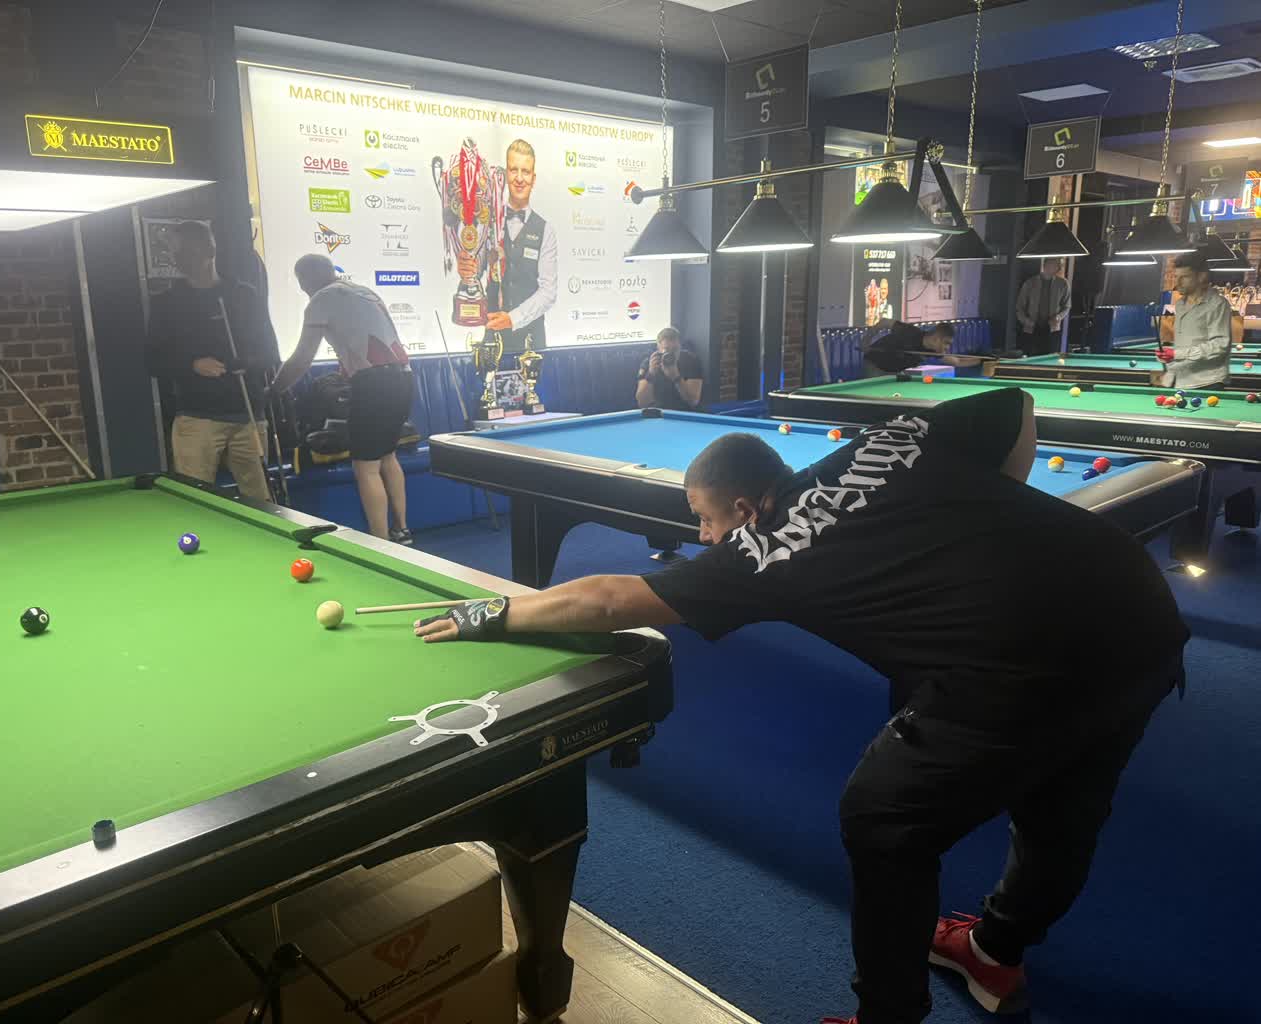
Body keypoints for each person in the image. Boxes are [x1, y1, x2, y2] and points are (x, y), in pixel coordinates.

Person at [412, 386, 1188, 1024]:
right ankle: (994, 951)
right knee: (1064, 802)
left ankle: (887, 1016)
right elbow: (1012, 407)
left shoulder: (759, 550)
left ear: (745, 506)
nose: (702, 536)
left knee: (881, 818)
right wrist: (990, 537)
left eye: (705, 518)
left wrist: (491, 613)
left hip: (1016, 671)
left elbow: (608, 599)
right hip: (1137, 615)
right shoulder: (880, 444)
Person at [270, 255, 414, 543]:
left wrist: (274, 390)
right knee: (388, 455)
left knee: (365, 466)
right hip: (405, 378)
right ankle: (402, 530)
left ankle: (381, 543)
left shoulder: (320, 300)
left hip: (374, 384)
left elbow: (302, 358)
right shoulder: (364, 291)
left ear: (306, 279)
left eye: (301, 283)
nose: (302, 290)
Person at [145, 221, 280, 501]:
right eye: (176, 253)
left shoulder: (244, 295)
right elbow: (153, 360)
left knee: (261, 500)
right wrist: (192, 365)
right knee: (196, 499)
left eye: (186, 251)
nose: (179, 259)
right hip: (196, 416)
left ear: (210, 250)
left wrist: (247, 363)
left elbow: (269, 352)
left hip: (248, 414)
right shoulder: (166, 302)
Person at [458, 139, 557, 353]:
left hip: (532, 343)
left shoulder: (545, 230)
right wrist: (467, 268)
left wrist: (513, 319)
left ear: (533, 178)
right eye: (514, 170)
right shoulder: (487, 222)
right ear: (505, 175)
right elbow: (477, 269)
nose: (519, 178)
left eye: (526, 171)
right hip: (492, 340)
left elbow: (548, 292)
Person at [1157, 249, 1231, 390]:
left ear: (1201, 277)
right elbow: (1187, 343)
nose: (1177, 282)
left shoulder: (1217, 304)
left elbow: (1220, 346)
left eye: (1184, 277)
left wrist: (1177, 354)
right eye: (1176, 276)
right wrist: (1169, 355)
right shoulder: (1180, 304)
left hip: (1207, 382)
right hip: (1179, 380)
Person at [636, 327, 703, 411]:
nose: (671, 353)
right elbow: (642, 403)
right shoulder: (650, 363)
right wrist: (651, 374)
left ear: (680, 347)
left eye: (675, 349)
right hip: (658, 411)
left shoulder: (691, 361)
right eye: (666, 349)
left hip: (685, 411)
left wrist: (676, 377)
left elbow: (693, 401)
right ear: (658, 348)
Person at [1015, 258, 1070, 355]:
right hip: (1031, 327)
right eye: (1051, 264)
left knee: (1051, 357)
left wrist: (1058, 317)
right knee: (1030, 356)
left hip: (1052, 328)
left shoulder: (1063, 284)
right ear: (1044, 265)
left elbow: (1067, 306)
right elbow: (1020, 307)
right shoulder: (1030, 283)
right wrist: (1026, 321)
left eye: (1056, 266)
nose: (1053, 268)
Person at [859, 322, 953, 377]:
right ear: (936, 339)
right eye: (946, 343)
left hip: (895, 369)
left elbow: (955, 361)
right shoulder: (910, 332)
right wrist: (866, 340)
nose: (947, 347)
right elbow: (884, 322)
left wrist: (963, 362)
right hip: (875, 364)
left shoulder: (932, 349)